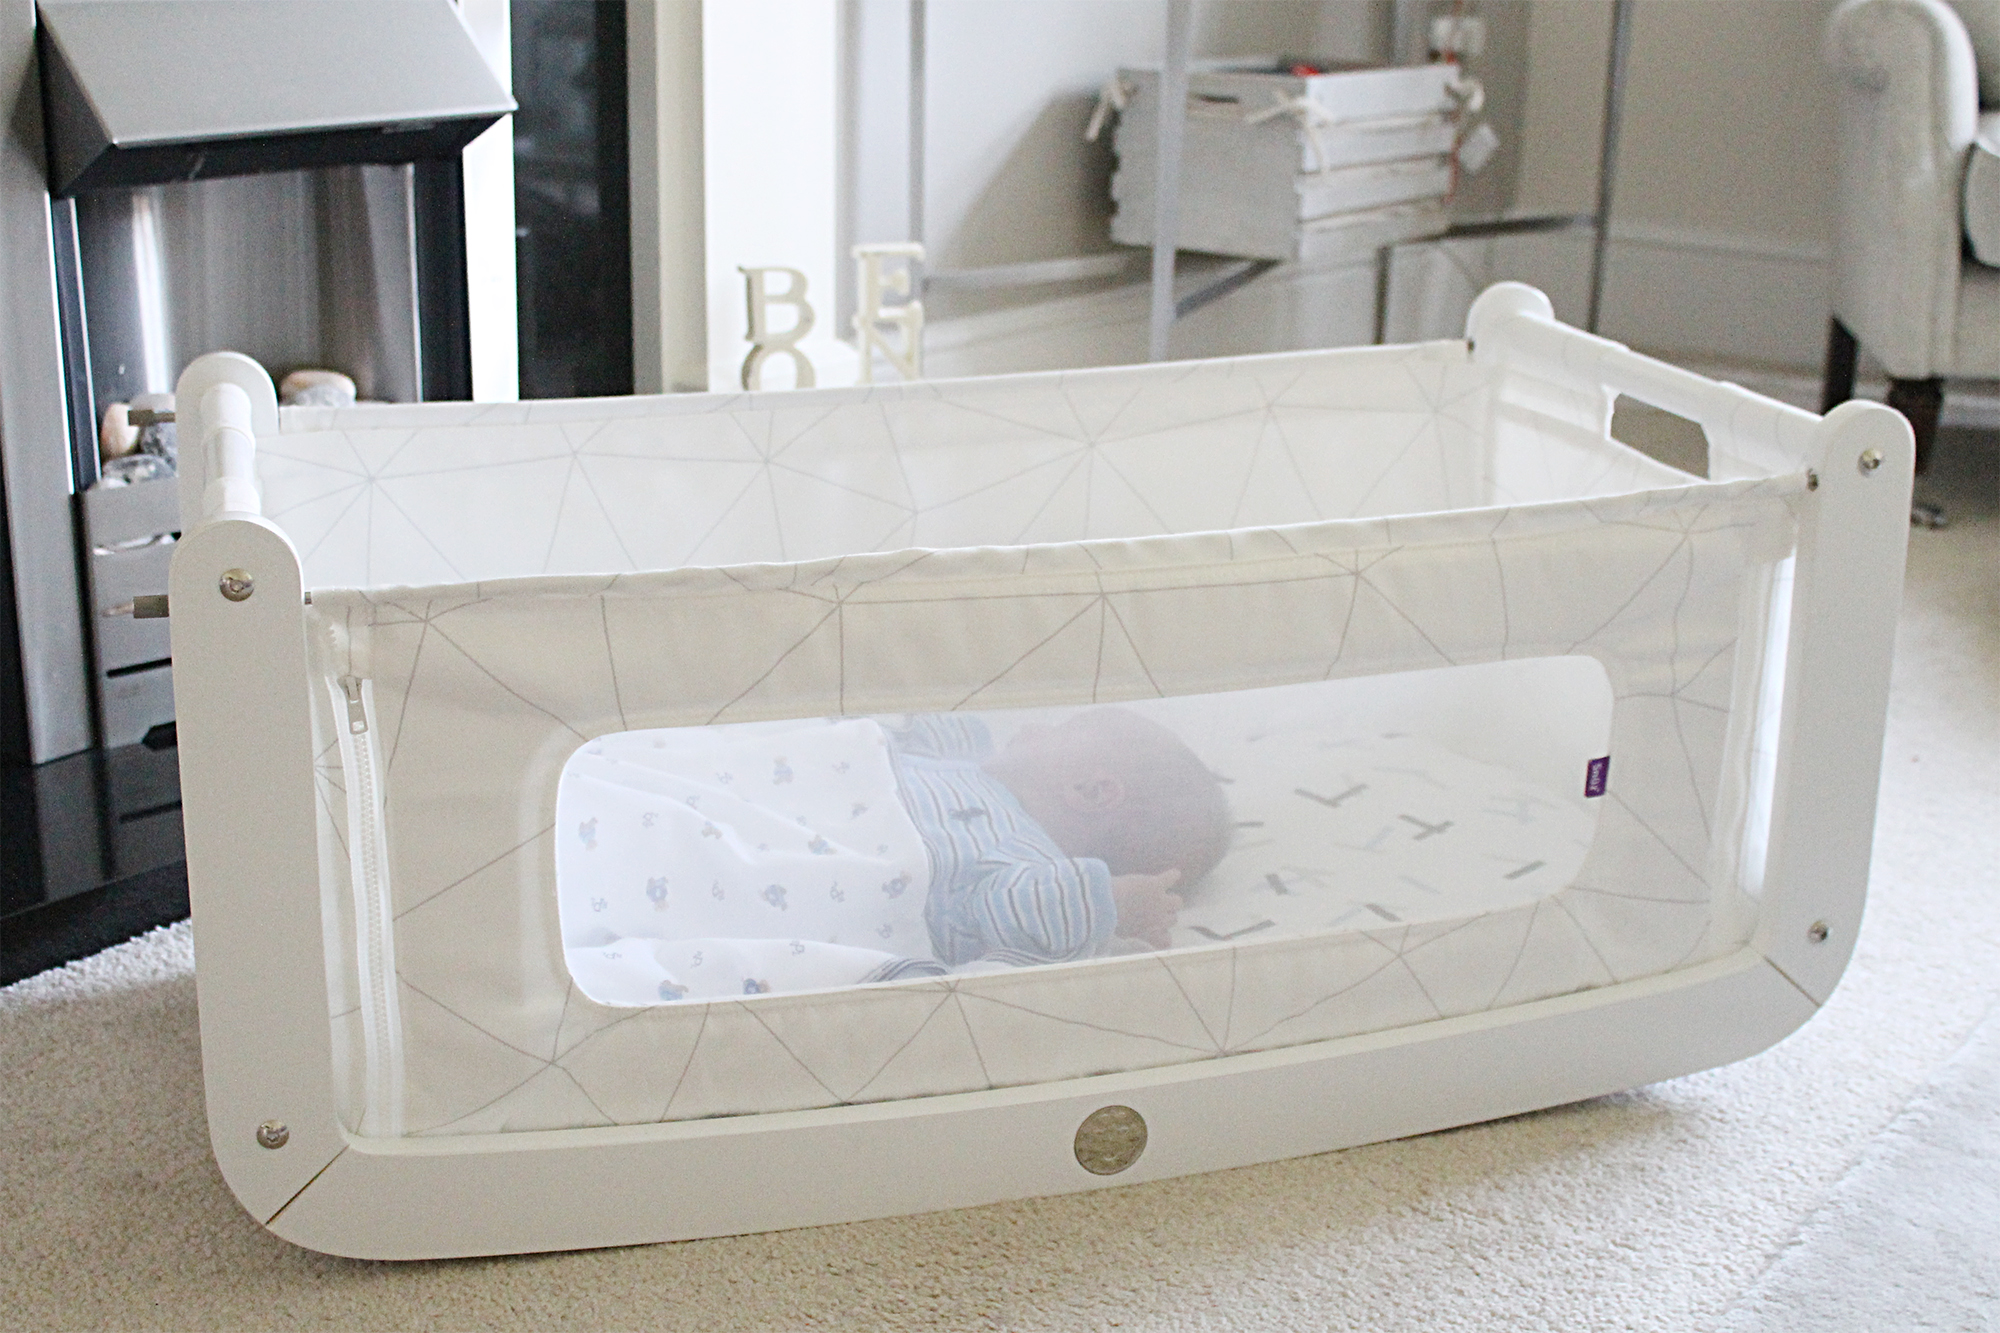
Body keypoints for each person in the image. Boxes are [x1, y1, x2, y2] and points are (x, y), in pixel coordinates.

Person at [557, 707, 1232, 1001]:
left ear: (1091, 789)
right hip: (781, 791)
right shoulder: (970, 763)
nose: (1037, 723)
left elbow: (1024, 918)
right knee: (667, 803)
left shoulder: (1023, 863)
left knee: (693, 859)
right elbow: (927, 725)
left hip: (833, 866)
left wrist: (1106, 905)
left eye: (1063, 729)